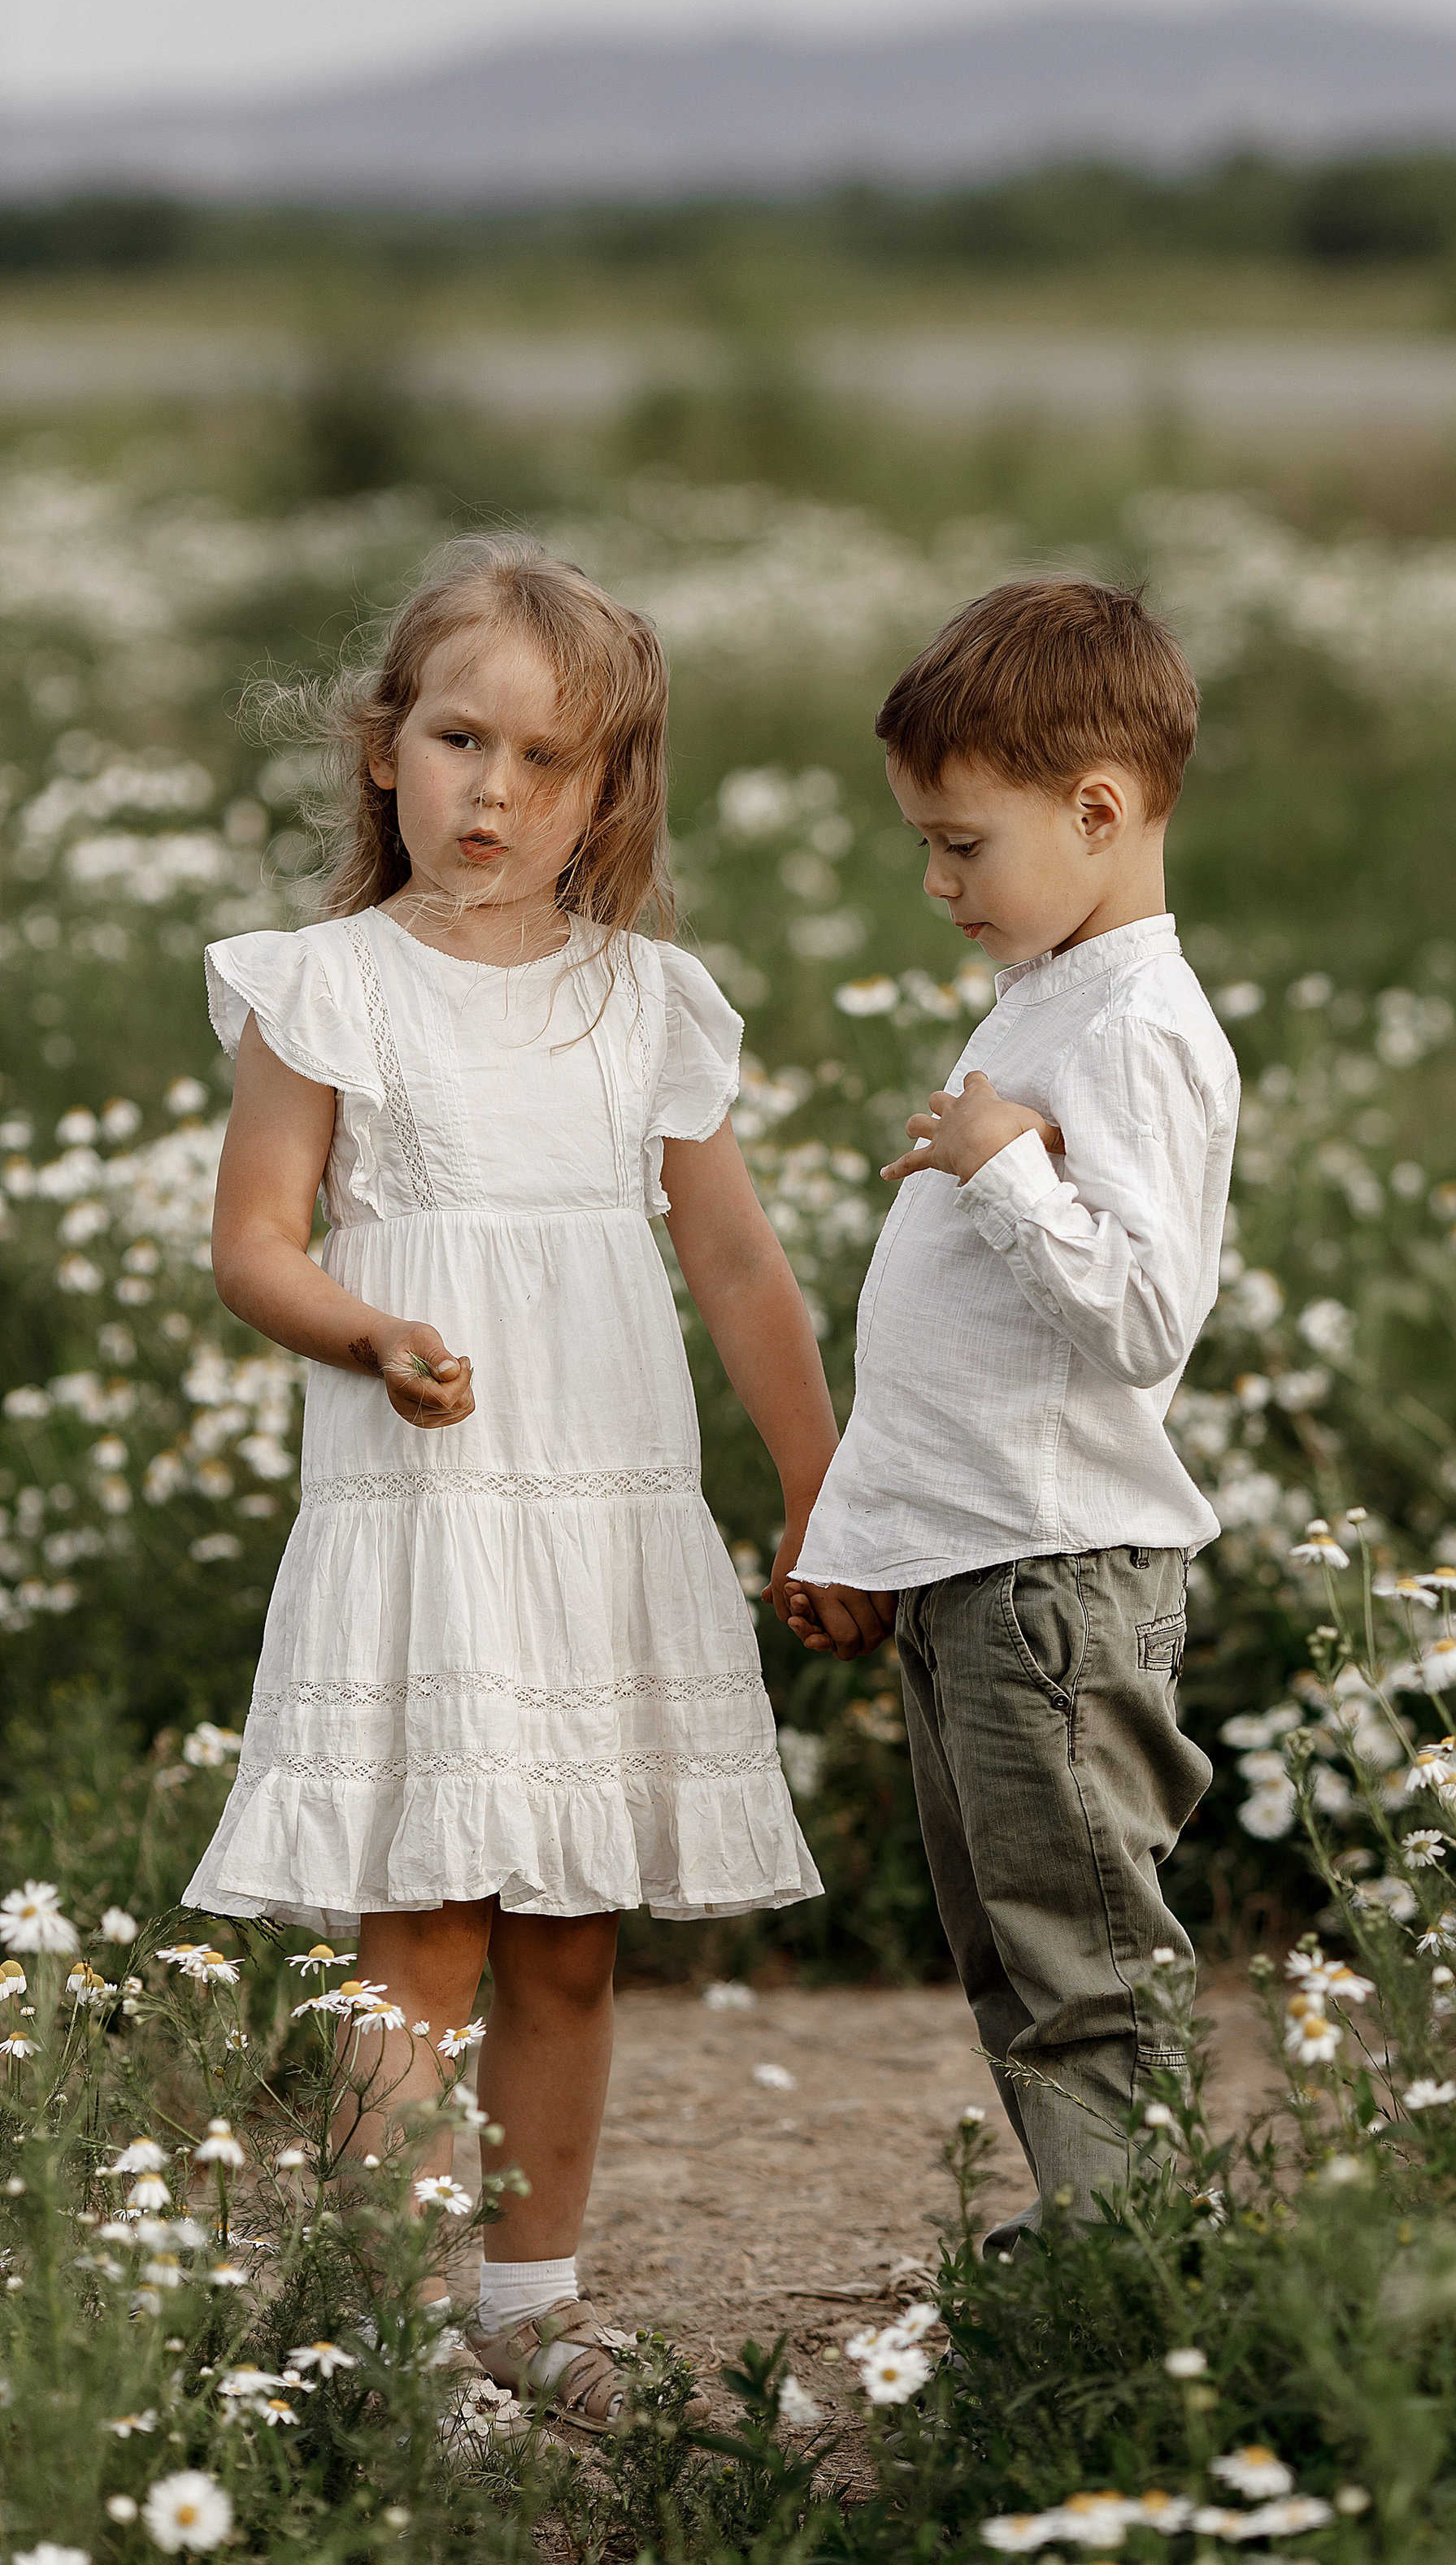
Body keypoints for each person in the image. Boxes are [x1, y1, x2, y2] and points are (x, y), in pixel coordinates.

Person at [186, 534, 833, 2424]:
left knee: (570, 1938)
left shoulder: (648, 1002)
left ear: (605, 793)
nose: (498, 790)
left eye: (549, 763)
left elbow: (735, 1264)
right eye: (462, 740)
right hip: (435, 1522)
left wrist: (822, 1491)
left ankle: (528, 2308)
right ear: (386, 751)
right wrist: (369, 1330)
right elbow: (256, 1243)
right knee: (425, 1935)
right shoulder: (328, 988)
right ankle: (390, 2326)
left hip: (603, 1515)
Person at [774, 576, 1238, 2250]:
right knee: (1008, 1943)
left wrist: (1007, 1172)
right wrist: (861, 1534)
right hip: (985, 1563)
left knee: (1077, 1953)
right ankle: (1096, 2228)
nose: (935, 882)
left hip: (1055, 1578)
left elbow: (1135, 1313)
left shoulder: (1137, 1027)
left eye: (960, 844)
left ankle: (1138, 2274)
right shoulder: (1052, 991)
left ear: (1097, 811)